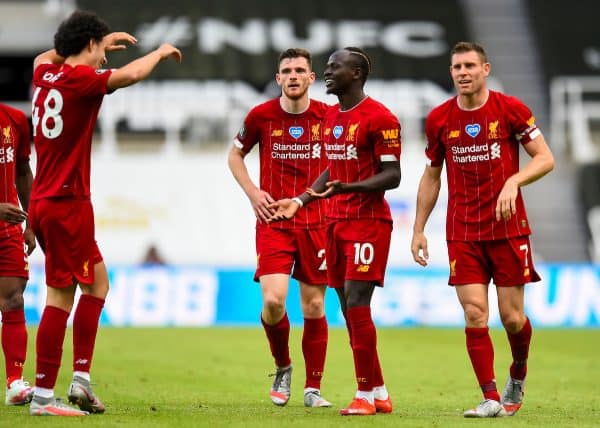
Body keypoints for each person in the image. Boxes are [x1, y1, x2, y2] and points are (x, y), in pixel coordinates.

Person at [28, 10, 182, 416]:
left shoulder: (45, 75)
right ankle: (43, 397)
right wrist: (161, 53)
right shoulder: (80, 81)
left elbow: (44, 58)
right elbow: (129, 75)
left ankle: (80, 380)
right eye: (99, 50)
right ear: (90, 46)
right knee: (60, 296)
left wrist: (86, 44)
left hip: (47, 201)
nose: (102, 59)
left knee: (97, 284)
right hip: (66, 204)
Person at [410, 41, 554, 418]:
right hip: (463, 232)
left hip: (507, 229)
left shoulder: (510, 110)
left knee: (512, 318)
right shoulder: (439, 119)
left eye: (470, 65)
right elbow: (432, 174)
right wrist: (419, 228)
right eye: (457, 67)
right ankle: (490, 397)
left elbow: (545, 158)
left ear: (485, 70)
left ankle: (518, 372)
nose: (462, 72)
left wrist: (514, 181)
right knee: (475, 313)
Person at [269, 47, 400, 416]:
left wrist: (350, 189)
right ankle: (380, 391)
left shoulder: (380, 117)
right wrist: (301, 199)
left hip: (367, 223)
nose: (326, 73)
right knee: (346, 307)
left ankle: (364, 397)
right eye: (326, 68)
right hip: (334, 222)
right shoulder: (331, 118)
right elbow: (331, 168)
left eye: (334, 67)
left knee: (357, 305)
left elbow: (393, 175)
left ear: (356, 73)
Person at [227, 48, 332, 408]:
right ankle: (283, 366)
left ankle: (313, 387)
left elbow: (341, 161)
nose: (292, 76)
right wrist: (253, 193)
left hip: (317, 220)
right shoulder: (261, 116)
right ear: (278, 79)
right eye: (286, 70)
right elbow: (234, 154)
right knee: (273, 301)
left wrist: (308, 197)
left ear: (311, 78)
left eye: (300, 70)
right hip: (273, 220)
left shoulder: (328, 117)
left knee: (314, 304)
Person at [0, 103, 36, 406]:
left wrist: (31, 223)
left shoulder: (15, 120)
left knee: (13, 300)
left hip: (8, 227)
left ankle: (14, 383)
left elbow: (23, 171)